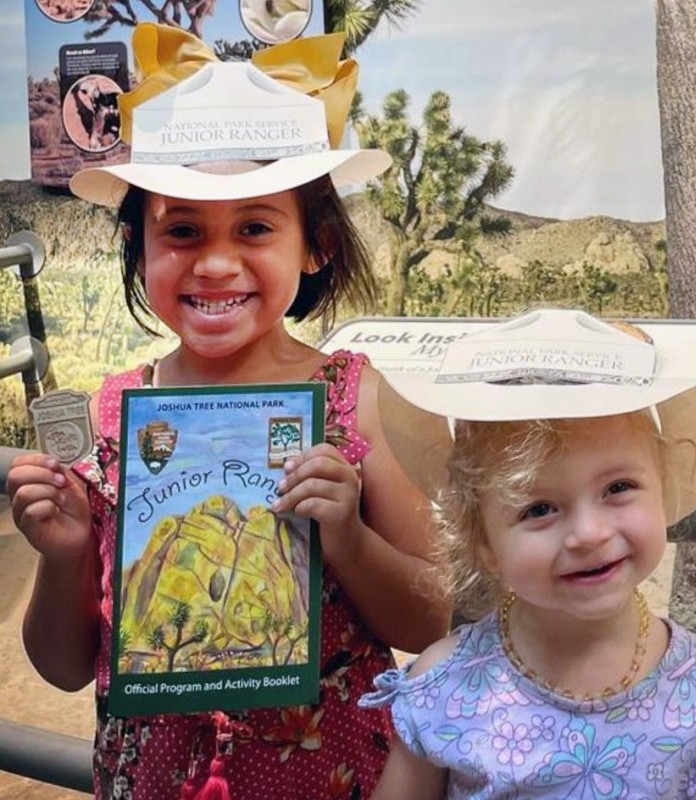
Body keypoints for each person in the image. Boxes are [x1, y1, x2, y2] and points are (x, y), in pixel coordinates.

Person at [5, 22, 450, 800]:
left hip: (332, 776)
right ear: (139, 248)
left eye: (255, 227)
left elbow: (430, 622)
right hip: (153, 779)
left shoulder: (360, 401)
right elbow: (65, 666)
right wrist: (65, 553)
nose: (215, 262)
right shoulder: (115, 413)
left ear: (316, 244)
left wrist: (347, 537)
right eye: (181, 230)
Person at [360, 308, 696, 799]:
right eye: (539, 508)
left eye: (618, 487)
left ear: (664, 486)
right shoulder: (443, 686)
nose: (588, 533)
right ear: (482, 540)